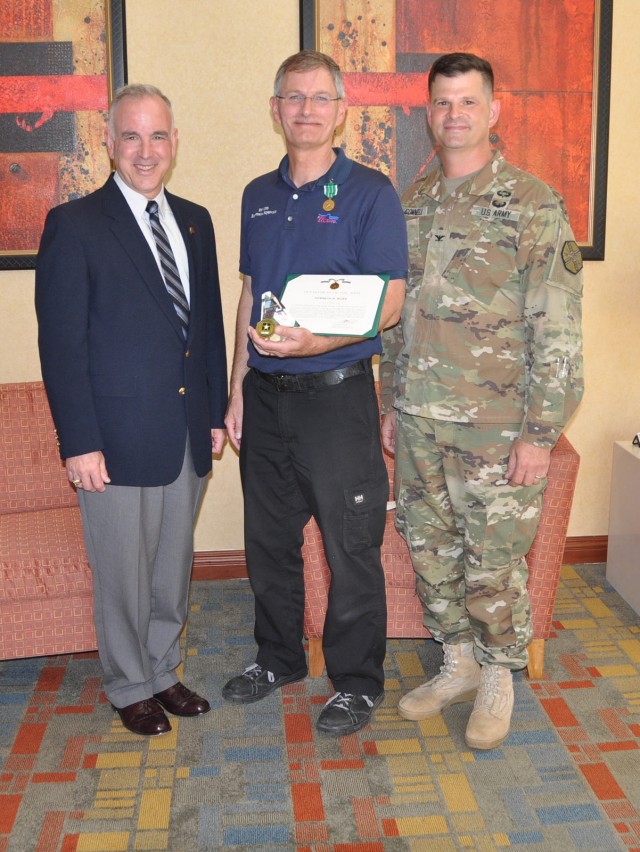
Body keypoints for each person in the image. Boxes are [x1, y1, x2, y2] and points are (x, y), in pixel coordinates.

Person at [380, 53, 584, 750]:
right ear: (429, 113)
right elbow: (392, 313)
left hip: (497, 426)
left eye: (468, 102)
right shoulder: (412, 201)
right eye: (443, 103)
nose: (455, 115)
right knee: (431, 548)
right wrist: (389, 399)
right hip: (418, 417)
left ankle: (500, 674)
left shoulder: (533, 203)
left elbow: (557, 326)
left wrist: (541, 431)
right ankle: (457, 662)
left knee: (493, 558)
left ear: (495, 111)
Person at [222, 50, 408, 736]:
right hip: (266, 398)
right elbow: (249, 293)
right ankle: (278, 659)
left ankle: (356, 682)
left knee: (349, 542)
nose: (306, 109)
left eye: (319, 98)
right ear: (276, 110)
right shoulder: (256, 195)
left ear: (341, 110)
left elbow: (390, 302)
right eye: (292, 98)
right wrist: (238, 385)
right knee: (268, 540)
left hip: (336, 397)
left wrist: (316, 344)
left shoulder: (370, 192)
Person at [35, 84, 228, 737]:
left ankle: (163, 671)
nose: (146, 150)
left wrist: (214, 410)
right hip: (112, 438)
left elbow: (207, 328)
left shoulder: (196, 220)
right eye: (132, 136)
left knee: (172, 563)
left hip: (184, 431)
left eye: (159, 136)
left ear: (174, 143)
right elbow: (61, 346)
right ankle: (127, 683)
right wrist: (78, 442)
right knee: (123, 568)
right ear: (108, 142)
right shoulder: (76, 224)